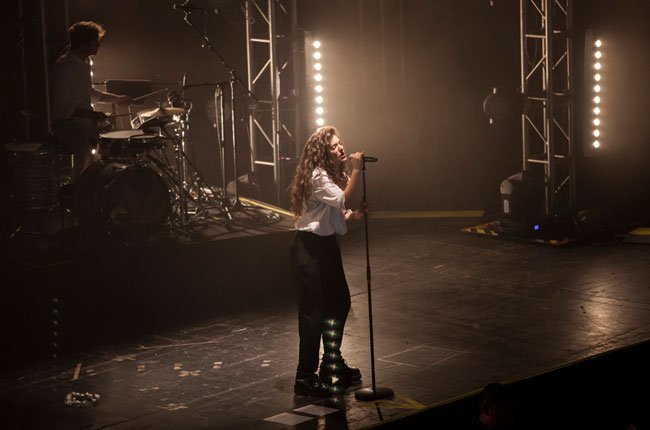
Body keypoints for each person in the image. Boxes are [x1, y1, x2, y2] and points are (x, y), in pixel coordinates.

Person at [289, 126, 366, 397]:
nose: (340, 148)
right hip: (309, 248)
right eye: (333, 146)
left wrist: (353, 216)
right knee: (314, 314)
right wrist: (356, 171)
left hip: (326, 246)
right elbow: (344, 198)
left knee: (339, 303)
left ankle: (331, 363)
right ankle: (304, 377)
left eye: (340, 143)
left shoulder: (332, 174)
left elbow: (334, 212)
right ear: (322, 152)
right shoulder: (317, 175)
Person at [50, 21, 132, 181]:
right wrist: (92, 115)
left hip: (85, 122)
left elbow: (89, 93)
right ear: (84, 44)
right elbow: (62, 107)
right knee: (84, 153)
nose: (99, 45)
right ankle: (78, 188)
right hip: (66, 125)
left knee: (114, 144)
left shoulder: (85, 62)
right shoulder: (64, 68)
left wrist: (118, 99)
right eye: (95, 42)